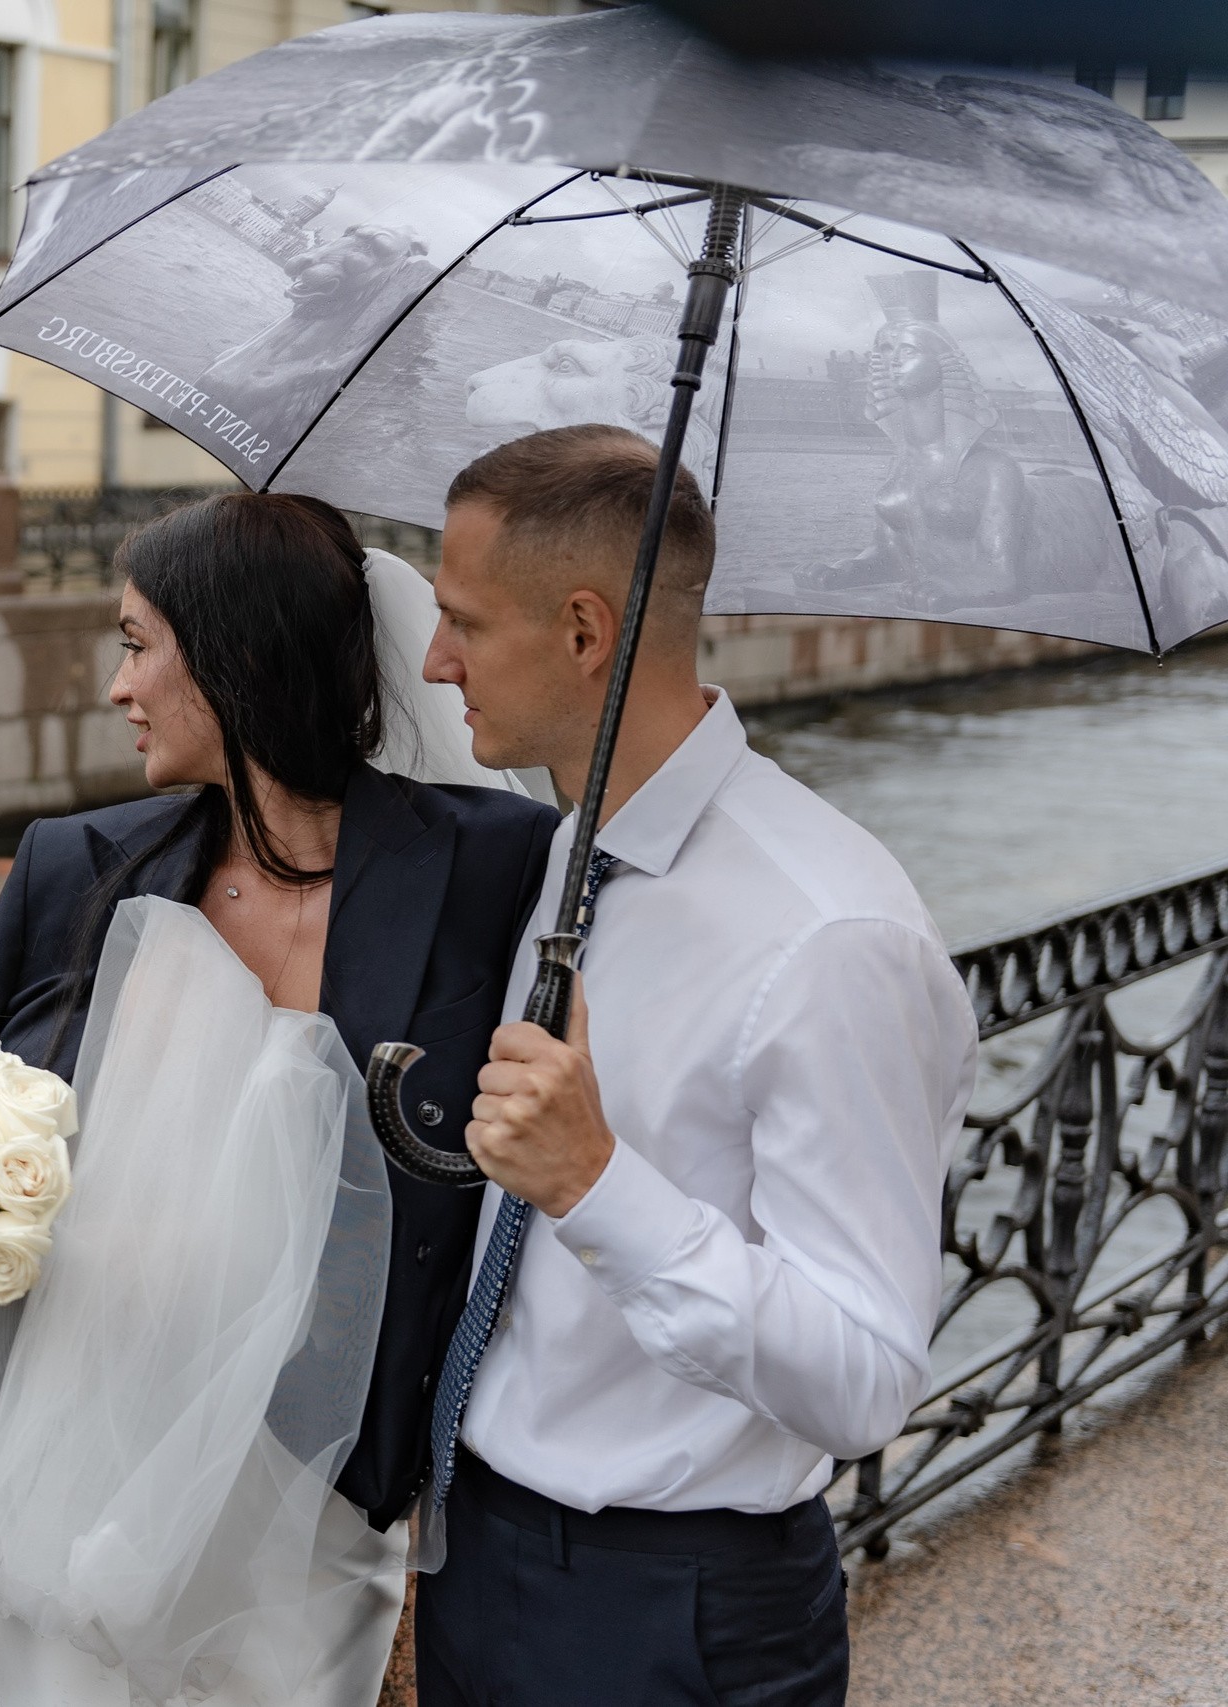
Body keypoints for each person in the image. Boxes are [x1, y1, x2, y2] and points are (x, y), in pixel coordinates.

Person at [0, 490, 557, 1702]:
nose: (116, 687)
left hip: (316, 1500)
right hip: (74, 1468)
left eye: (136, 642)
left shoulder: (494, 866)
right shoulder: (72, 868)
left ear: (232, 656)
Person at [414, 424, 980, 1705]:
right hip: (482, 1551)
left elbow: (864, 1376)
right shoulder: (569, 847)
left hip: (675, 1613)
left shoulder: (831, 936)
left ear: (581, 632)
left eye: (462, 622)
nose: (435, 660)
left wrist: (595, 1180)